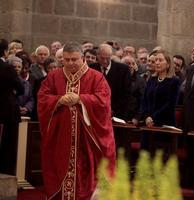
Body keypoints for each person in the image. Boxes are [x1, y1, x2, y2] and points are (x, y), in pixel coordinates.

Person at [38, 41, 116, 199]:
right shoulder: (54, 76)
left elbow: (103, 101)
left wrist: (80, 99)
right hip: (61, 137)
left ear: (83, 58)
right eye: (66, 60)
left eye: (74, 59)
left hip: (87, 138)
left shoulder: (96, 77)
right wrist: (59, 100)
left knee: (86, 173)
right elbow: (42, 98)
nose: (70, 63)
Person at [140, 50, 180, 151]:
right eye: (156, 60)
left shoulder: (174, 81)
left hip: (164, 124)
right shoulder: (151, 79)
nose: (157, 62)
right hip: (148, 124)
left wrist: (153, 118)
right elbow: (144, 100)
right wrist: (146, 116)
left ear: (168, 64)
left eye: (160, 60)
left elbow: (170, 104)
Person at [0, 39, 24, 175]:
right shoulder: (7, 68)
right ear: (5, 52)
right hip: (6, 112)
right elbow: (20, 88)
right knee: (8, 146)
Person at [90, 43, 131, 120]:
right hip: (95, 112)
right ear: (97, 56)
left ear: (111, 56)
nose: (105, 61)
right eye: (102, 58)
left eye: (108, 58)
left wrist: (113, 110)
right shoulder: (91, 69)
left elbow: (126, 94)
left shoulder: (123, 70)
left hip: (117, 113)